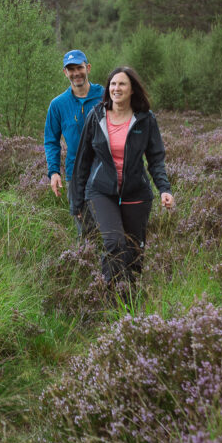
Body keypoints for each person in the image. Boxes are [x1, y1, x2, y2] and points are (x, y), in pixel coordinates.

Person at [69, 65, 174, 287]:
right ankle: (113, 295)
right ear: (108, 89)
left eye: (122, 84)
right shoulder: (96, 115)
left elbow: (155, 159)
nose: (116, 88)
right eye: (113, 84)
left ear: (132, 89)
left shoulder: (145, 119)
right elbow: (83, 161)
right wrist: (76, 202)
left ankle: (129, 296)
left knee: (134, 251)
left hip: (136, 191)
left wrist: (164, 189)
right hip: (101, 191)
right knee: (114, 243)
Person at [44, 49, 104, 201]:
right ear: (65, 72)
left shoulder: (105, 96)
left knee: (107, 223)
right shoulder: (58, 104)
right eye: (71, 69)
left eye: (79, 67)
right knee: (83, 223)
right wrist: (54, 172)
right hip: (75, 175)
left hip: (106, 173)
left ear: (88, 68)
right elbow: (51, 141)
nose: (76, 73)